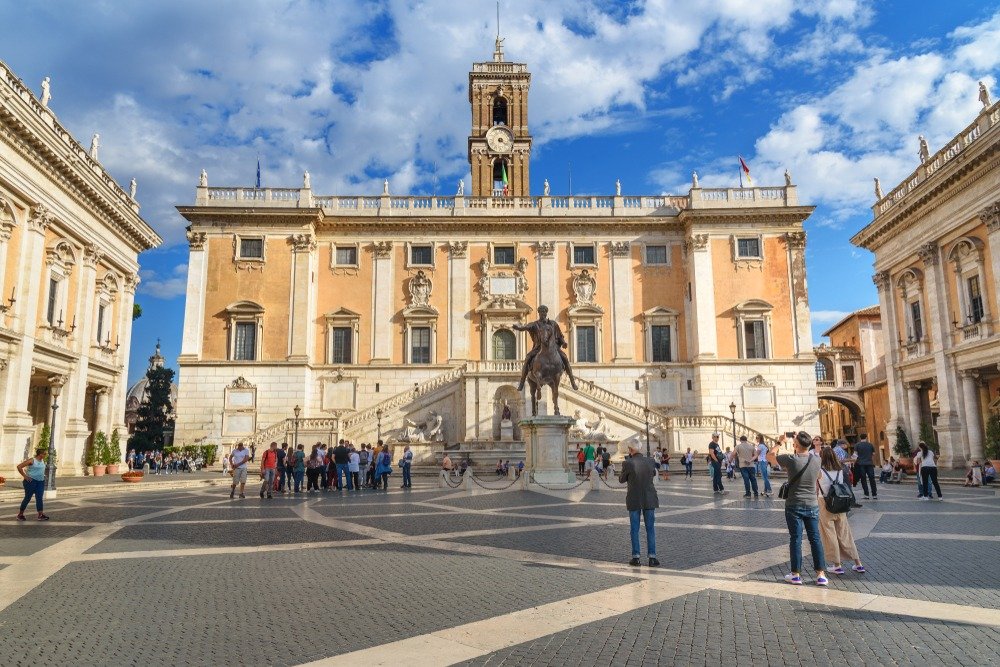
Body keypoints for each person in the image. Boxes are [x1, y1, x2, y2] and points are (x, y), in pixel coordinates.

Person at [766, 432, 827, 586]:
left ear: (796, 446)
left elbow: (769, 456)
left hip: (794, 505)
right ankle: (821, 575)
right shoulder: (817, 459)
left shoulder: (791, 459)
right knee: (815, 539)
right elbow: (819, 477)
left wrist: (779, 442)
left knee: (796, 539)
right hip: (812, 504)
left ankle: (796, 575)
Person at [817, 446, 866, 575]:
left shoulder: (820, 471)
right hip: (840, 503)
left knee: (830, 534)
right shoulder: (840, 469)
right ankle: (858, 563)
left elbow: (816, 490)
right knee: (845, 534)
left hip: (825, 502)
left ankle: (837, 565)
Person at [619, 442, 659, 567]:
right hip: (649, 498)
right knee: (650, 529)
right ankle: (652, 558)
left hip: (634, 499)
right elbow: (652, 474)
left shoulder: (628, 463)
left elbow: (621, 480)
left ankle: (636, 557)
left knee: (634, 529)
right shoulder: (650, 461)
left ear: (630, 450)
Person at [16, 448, 49, 521]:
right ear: (40, 454)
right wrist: (25, 476)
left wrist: (42, 475)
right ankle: (20, 515)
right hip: (31, 481)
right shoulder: (32, 460)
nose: (46, 455)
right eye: (44, 454)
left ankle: (40, 515)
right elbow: (19, 466)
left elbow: (40, 469)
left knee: (39, 498)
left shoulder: (42, 460)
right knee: (28, 497)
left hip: (40, 482)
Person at [851, 434, 877, 500]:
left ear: (860, 438)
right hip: (869, 464)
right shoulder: (870, 445)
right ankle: (874, 495)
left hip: (861, 464)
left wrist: (853, 462)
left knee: (863, 479)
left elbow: (855, 455)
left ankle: (866, 494)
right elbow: (873, 454)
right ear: (866, 438)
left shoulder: (857, 445)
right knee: (872, 479)